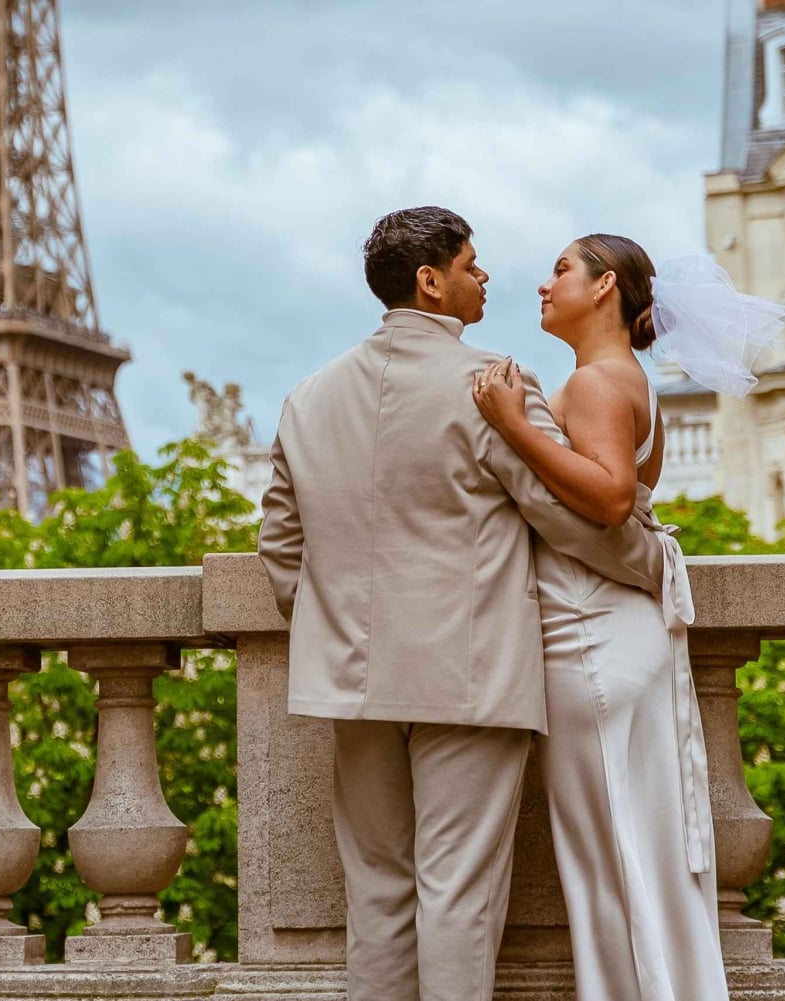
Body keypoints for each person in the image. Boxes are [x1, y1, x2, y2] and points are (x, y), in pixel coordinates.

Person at [257, 208, 669, 1001]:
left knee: (377, 895)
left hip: (348, 679)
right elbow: (565, 520)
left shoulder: (308, 397)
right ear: (431, 281)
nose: (486, 278)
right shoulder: (492, 385)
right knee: (459, 898)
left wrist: (334, 625)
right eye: (472, 265)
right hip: (469, 680)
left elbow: (280, 544)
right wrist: (658, 563)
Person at [472, 235, 785, 1001]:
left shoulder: (593, 384)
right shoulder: (631, 381)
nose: (543, 286)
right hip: (622, 635)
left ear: (604, 286)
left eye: (560, 270)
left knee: (612, 865)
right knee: (638, 858)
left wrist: (514, 427)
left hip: (593, 641)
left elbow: (613, 499)